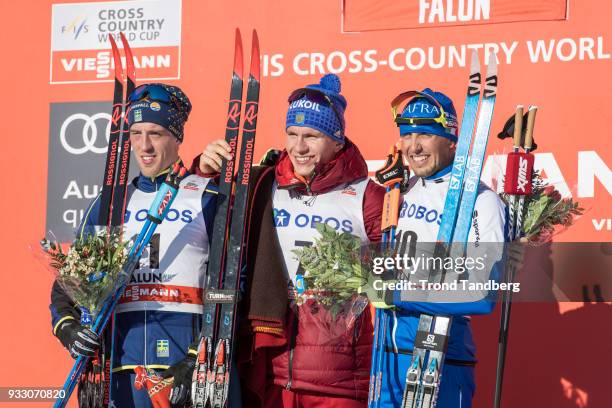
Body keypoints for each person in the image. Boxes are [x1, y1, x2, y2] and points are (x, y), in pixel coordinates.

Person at [196, 73, 385, 407]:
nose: (299, 147)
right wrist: (206, 171)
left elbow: (397, 270)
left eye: (311, 136)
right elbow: (212, 224)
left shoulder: (365, 194)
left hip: (339, 375)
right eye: (292, 134)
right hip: (273, 365)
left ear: (337, 141)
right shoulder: (264, 185)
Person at [50, 83, 218, 408]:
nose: (145, 146)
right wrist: (70, 330)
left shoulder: (206, 196)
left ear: (177, 136)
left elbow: (228, 290)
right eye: (136, 133)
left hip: (180, 368)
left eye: (155, 133)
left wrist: (198, 356)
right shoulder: (110, 203)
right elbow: (68, 288)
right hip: (119, 369)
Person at [375, 88, 507, 407]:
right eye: (407, 135)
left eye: (425, 134)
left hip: (439, 359)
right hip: (386, 359)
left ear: (451, 140)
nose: (413, 146)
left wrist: (399, 293)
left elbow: (483, 294)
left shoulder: (479, 200)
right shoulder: (404, 189)